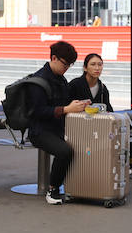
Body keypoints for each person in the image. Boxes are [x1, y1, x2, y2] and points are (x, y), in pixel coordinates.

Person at [26, 41, 91, 205]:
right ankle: (53, 188)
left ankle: (80, 187)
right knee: (65, 151)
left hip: (58, 128)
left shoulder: (61, 80)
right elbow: (36, 111)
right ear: (53, 58)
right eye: (65, 64)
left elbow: (66, 103)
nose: (67, 67)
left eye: (70, 65)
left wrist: (79, 105)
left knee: (86, 146)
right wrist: (65, 109)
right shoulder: (38, 81)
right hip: (39, 131)